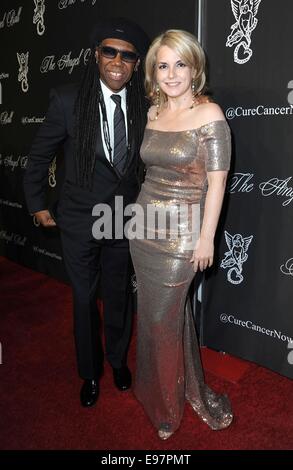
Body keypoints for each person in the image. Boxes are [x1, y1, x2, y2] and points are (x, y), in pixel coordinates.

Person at [23, 18, 149, 407]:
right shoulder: (67, 99)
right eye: (110, 51)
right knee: (82, 299)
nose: (117, 61)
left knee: (117, 295)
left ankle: (116, 360)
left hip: (122, 218)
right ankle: (90, 372)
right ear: (96, 55)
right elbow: (39, 155)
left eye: (127, 56)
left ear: (136, 63)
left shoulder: (147, 106)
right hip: (78, 217)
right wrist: (37, 203)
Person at [129, 29, 233, 439]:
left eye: (180, 64)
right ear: (154, 72)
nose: (172, 74)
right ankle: (159, 386)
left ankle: (166, 407)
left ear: (195, 68)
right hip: (143, 225)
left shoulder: (210, 115)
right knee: (164, 316)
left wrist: (206, 238)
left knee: (160, 317)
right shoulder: (153, 113)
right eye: (163, 65)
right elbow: (149, 172)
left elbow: (217, 184)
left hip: (183, 234)